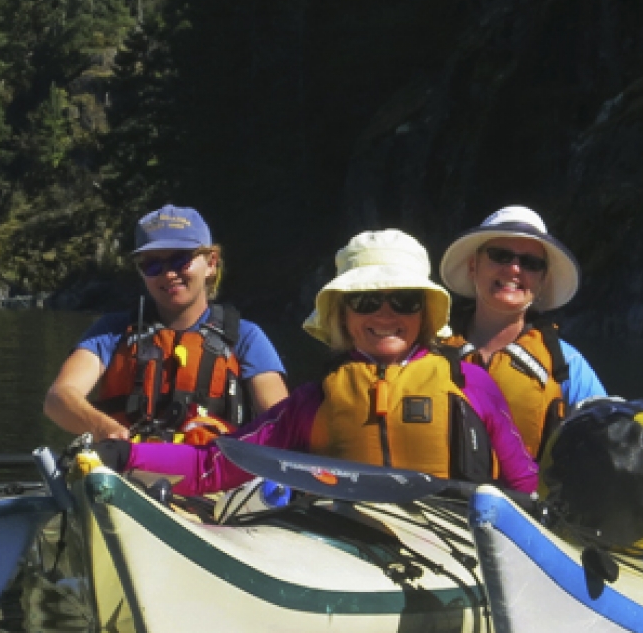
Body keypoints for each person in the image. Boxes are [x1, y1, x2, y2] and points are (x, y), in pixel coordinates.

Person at [100, 229, 540, 496]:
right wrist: (124, 454)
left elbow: (524, 483)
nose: (385, 315)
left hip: (451, 547)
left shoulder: (470, 383)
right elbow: (211, 466)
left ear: (424, 313)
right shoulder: (313, 401)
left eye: (403, 301)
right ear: (343, 315)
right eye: (367, 301)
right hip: (344, 542)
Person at [44, 205, 288, 445]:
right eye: (152, 265)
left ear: (211, 263)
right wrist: (103, 427)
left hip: (216, 475)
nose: (169, 274)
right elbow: (58, 398)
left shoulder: (246, 337)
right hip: (127, 471)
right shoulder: (112, 331)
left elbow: (280, 420)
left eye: (181, 260)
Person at [439, 205, 606, 461]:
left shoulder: (566, 365)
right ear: (473, 266)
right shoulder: (430, 350)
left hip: (526, 501)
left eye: (531, 263)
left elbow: (608, 439)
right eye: (500, 255)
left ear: (541, 282)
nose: (515, 269)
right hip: (434, 501)